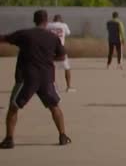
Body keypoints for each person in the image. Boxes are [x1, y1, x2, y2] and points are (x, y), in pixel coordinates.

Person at [1, 10, 71, 149]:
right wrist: (49, 59)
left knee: (14, 107)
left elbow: (4, 38)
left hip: (27, 78)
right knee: (54, 106)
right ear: (46, 21)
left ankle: (9, 139)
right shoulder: (53, 38)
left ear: (34, 20)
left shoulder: (25, 34)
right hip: (47, 78)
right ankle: (63, 136)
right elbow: (62, 57)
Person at [46, 14, 73, 92]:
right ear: (60, 19)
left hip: (50, 49)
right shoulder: (63, 25)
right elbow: (68, 33)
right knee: (67, 68)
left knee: (51, 68)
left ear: (54, 19)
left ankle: (53, 87)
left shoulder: (48, 25)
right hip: (60, 48)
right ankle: (68, 87)